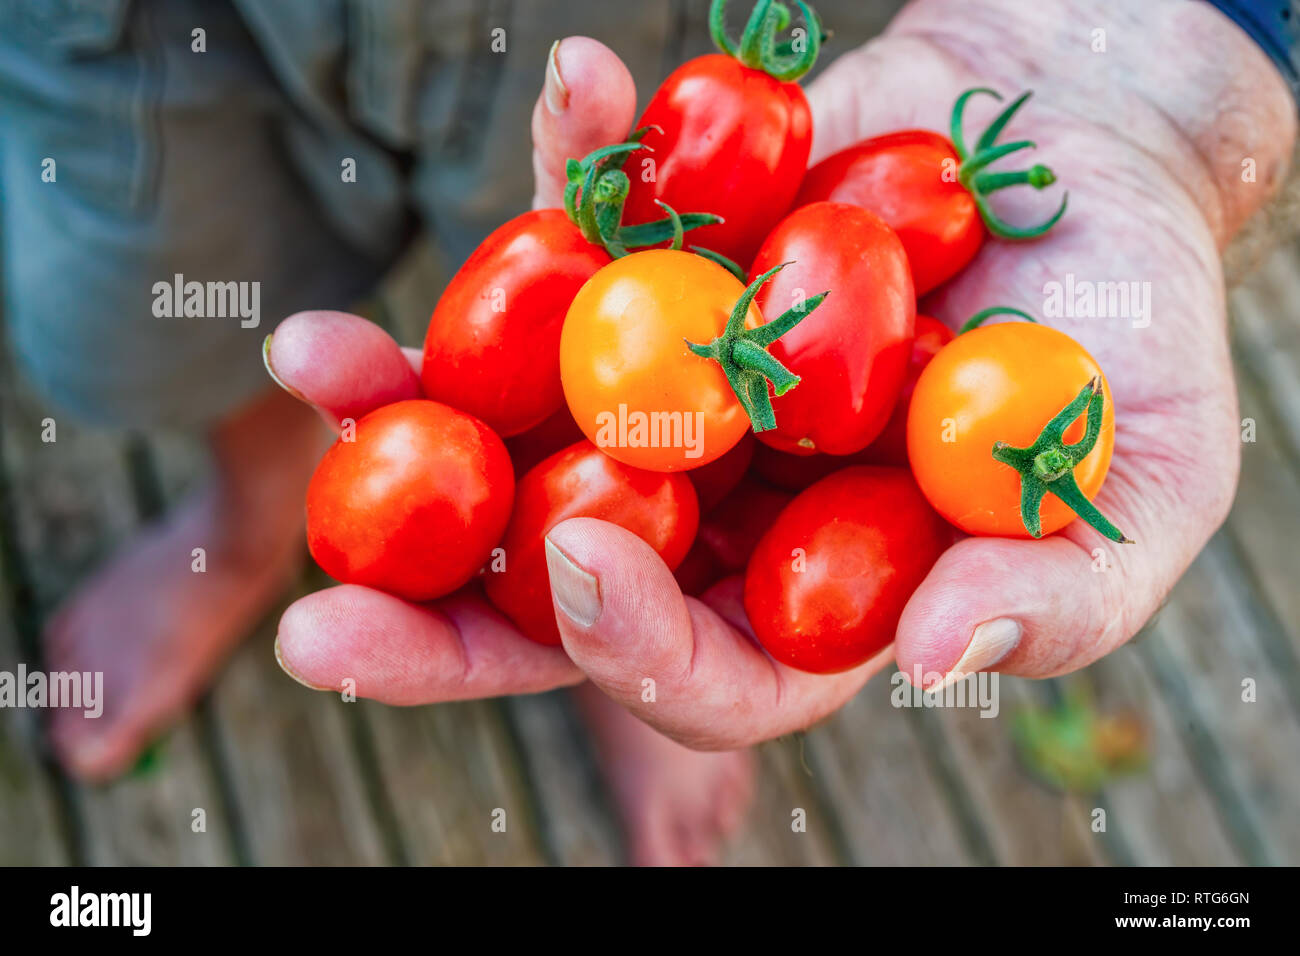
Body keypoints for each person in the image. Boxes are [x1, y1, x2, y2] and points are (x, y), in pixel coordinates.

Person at [3, 0, 1295, 865]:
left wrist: (1189, 67)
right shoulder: (741, 306)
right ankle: (245, 531)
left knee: (617, 511)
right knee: (169, 276)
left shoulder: (788, 245)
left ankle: (618, 627)